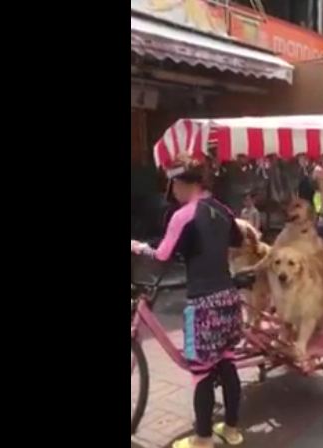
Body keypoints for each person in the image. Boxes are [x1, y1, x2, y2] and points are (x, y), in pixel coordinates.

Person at [131, 157, 245, 448]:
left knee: (202, 374)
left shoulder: (184, 215)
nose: (173, 192)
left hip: (203, 305)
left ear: (184, 183)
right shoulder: (223, 210)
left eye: (174, 185)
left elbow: (163, 255)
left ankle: (203, 439)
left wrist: (138, 247)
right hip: (230, 299)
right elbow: (238, 241)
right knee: (228, 362)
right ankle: (231, 430)